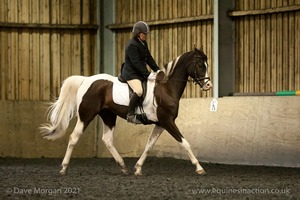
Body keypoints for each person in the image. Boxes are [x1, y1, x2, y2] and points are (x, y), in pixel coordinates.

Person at [121, 21, 160, 123]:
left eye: (146, 34)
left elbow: (148, 58)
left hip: (139, 72)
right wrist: (148, 74)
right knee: (139, 91)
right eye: (144, 34)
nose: (146, 36)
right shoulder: (131, 45)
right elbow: (136, 63)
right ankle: (131, 114)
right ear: (138, 33)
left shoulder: (143, 43)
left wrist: (157, 69)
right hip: (131, 73)